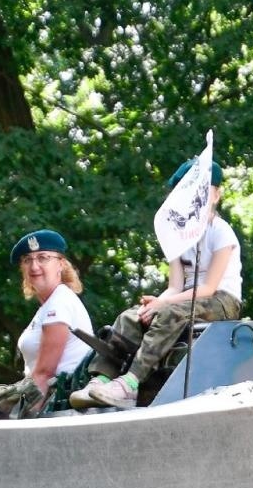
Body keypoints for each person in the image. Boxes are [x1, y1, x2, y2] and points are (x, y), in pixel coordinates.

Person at [68, 159, 242, 410]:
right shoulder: (178, 235)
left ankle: (130, 382)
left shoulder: (221, 232)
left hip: (222, 300)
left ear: (216, 195)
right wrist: (156, 303)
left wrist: (165, 304)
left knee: (170, 313)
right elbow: (175, 286)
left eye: (202, 192)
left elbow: (209, 288)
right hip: (185, 299)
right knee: (132, 317)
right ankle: (101, 379)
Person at [0, 229, 95, 418]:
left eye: (43, 258)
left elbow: (44, 373)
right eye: (27, 260)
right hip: (40, 393)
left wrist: (21, 421)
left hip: (56, 399)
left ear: (61, 264)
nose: (34, 266)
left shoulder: (59, 302)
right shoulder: (50, 305)